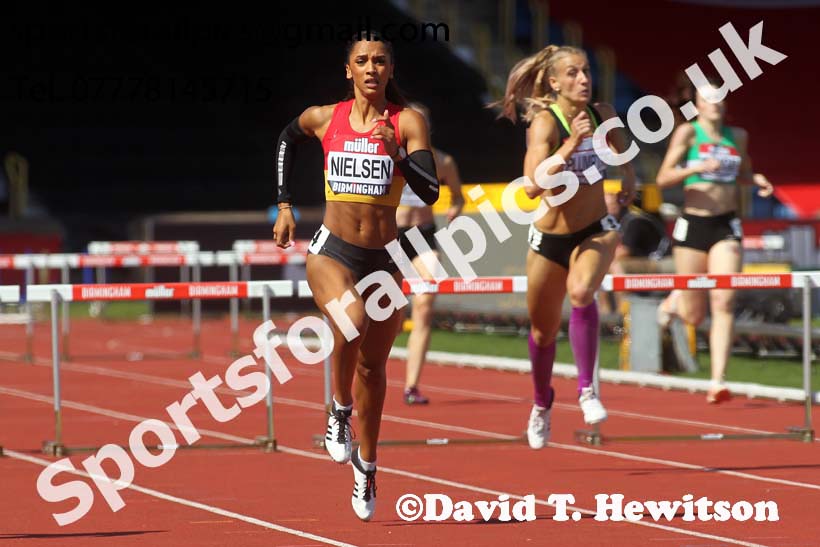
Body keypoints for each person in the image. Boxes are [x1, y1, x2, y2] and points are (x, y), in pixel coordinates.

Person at [272, 31, 438, 520]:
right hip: (333, 250)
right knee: (350, 319)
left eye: (380, 62)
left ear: (390, 71)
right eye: (362, 61)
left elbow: (430, 195)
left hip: (385, 259)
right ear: (349, 70)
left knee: (374, 369)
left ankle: (367, 465)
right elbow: (287, 138)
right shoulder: (327, 118)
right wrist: (284, 206)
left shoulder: (408, 122)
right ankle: (338, 409)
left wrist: (399, 156)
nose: (371, 68)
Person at [495, 44, 636, 450]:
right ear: (554, 82)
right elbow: (533, 186)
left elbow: (622, 147)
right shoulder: (544, 124)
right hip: (549, 239)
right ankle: (542, 403)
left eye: (587, 71)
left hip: (595, 229)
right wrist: (570, 145)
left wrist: (627, 176)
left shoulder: (603, 113)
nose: (584, 80)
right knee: (541, 333)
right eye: (573, 73)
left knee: (581, 291)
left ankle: (588, 390)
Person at [655, 80, 773, 404]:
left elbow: (743, 173)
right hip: (693, 224)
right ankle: (675, 303)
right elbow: (662, 178)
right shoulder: (688, 134)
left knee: (724, 301)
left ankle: (717, 380)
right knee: (694, 315)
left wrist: (756, 180)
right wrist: (696, 167)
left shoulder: (739, 137)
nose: (715, 104)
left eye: (720, 98)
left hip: (726, 224)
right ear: (698, 104)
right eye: (708, 99)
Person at [396, 102, 465, 405]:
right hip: (390, 237)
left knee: (424, 306)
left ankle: (411, 386)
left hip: (423, 236)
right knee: (383, 315)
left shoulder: (443, 161)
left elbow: (459, 197)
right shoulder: (390, 157)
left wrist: (455, 208)